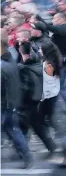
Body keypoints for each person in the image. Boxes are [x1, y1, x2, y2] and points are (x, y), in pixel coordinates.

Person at [1, 39, 33, 169]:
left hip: (7, 104)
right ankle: (22, 153)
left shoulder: (3, 66)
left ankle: (26, 155)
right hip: (11, 102)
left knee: (12, 129)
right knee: (9, 128)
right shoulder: (9, 59)